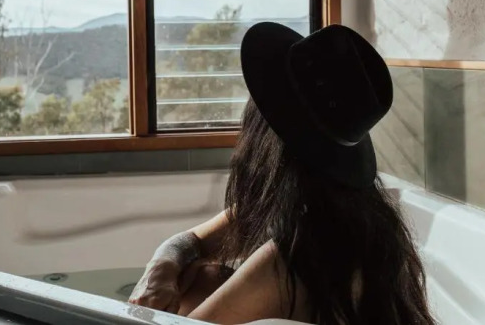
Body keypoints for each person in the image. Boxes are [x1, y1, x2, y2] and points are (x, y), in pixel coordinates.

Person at [129, 22, 437, 325]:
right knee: (204, 277)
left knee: (197, 284)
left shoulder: (293, 259)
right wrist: (161, 268)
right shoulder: (348, 216)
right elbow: (190, 241)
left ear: (267, 138)